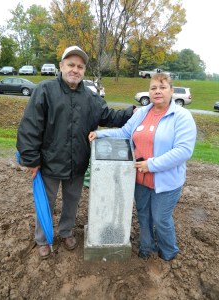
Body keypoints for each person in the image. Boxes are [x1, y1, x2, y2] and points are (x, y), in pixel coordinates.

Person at [16, 45, 136, 259]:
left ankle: (66, 231)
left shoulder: (90, 98)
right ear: (61, 66)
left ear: (83, 71)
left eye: (80, 66)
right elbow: (30, 127)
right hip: (49, 164)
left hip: (77, 164)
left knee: (71, 202)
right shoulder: (44, 91)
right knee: (46, 202)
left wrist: (132, 112)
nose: (75, 69)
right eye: (71, 64)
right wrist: (31, 160)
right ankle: (43, 238)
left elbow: (109, 116)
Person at [89, 73, 197, 261]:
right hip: (140, 178)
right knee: (143, 215)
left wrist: (152, 165)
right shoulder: (142, 113)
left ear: (171, 91)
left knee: (160, 219)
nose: (157, 92)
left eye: (162, 87)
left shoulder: (182, 117)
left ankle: (169, 252)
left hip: (165, 182)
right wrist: (100, 135)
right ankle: (147, 247)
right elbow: (125, 132)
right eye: (154, 88)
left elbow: (183, 151)